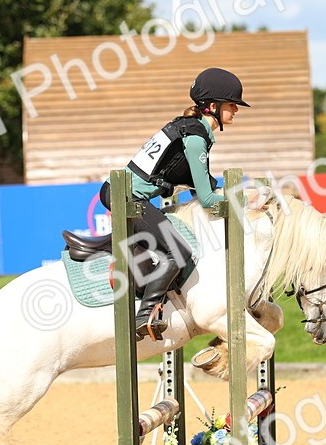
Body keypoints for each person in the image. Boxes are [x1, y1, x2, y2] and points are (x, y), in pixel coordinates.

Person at [99, 67, 248, 341]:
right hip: (127, 198)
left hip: (123, 194)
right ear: (212, 106)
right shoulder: (195, 139)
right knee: (178, 251)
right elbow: (206, 199)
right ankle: (145, 315)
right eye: (232, 105)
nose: (236, 110)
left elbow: (207, 185)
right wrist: (244, 202)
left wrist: (236, 193)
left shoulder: (192, 131)